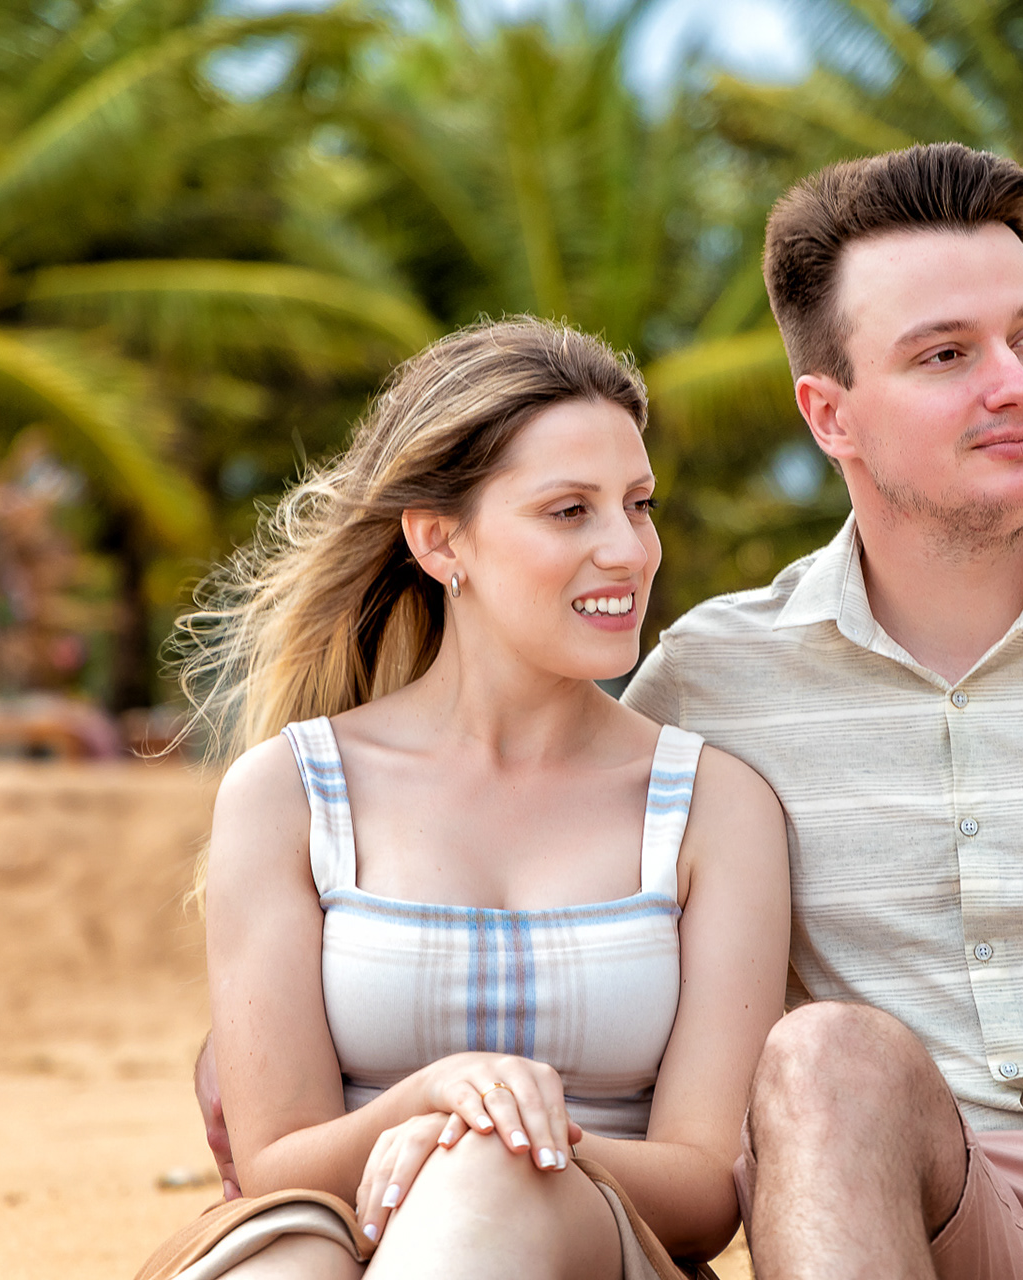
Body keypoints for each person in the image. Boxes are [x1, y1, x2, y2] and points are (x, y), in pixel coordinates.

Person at [199, 144, 1023, 1279]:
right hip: (929, 1217)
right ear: (827, 414)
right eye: (947, 354)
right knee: (822, 1055)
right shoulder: (706, 689)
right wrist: (286, 1065)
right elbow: (550, 895)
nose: (1017, 383)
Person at [142, 318, 789, 1280]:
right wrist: (434, 1095)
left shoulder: (713, 807)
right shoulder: (287, 793)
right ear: (441, 540)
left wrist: (492, 1139)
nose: (628, 549)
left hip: (597, 1242)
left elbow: (705, 1193)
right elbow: (272, 1166)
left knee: (485, 1181)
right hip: (332, 1233)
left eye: (638, 504)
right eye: (569, 511)